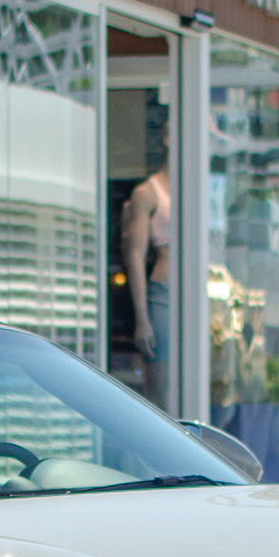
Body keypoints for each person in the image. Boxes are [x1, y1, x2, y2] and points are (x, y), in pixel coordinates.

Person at [121, 168, 172, 406]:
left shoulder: (205, 185)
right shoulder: (148, 192)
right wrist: (142, 318)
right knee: (162, 392)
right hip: (165, 293)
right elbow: (134, 254)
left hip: (204, 296)